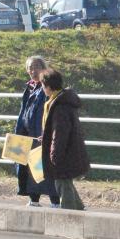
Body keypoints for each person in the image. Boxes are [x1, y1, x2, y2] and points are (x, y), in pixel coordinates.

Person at [38, 68, 90, 211]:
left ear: (48, 86)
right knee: (65, 182)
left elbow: (59, 133)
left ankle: (69, 216)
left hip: (64, 151)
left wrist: (55, 154)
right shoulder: (61, 101)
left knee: (62, 183)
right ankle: (78, 209)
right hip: (68, 149)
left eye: (43, 85)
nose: (42, 89)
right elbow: (55, 130)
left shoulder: (59, 106)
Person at [15, 55, 59, 207]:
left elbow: (53, 111)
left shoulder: (48, 87)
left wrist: (47, 133)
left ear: (43, 69)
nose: (33, 71)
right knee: (30, 168)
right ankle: (34, 199)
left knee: (47, 168)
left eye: (36, 67)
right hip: (28, 134)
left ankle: (55, 201)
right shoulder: (30, 87)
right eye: (30, 68)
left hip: (42, 134)